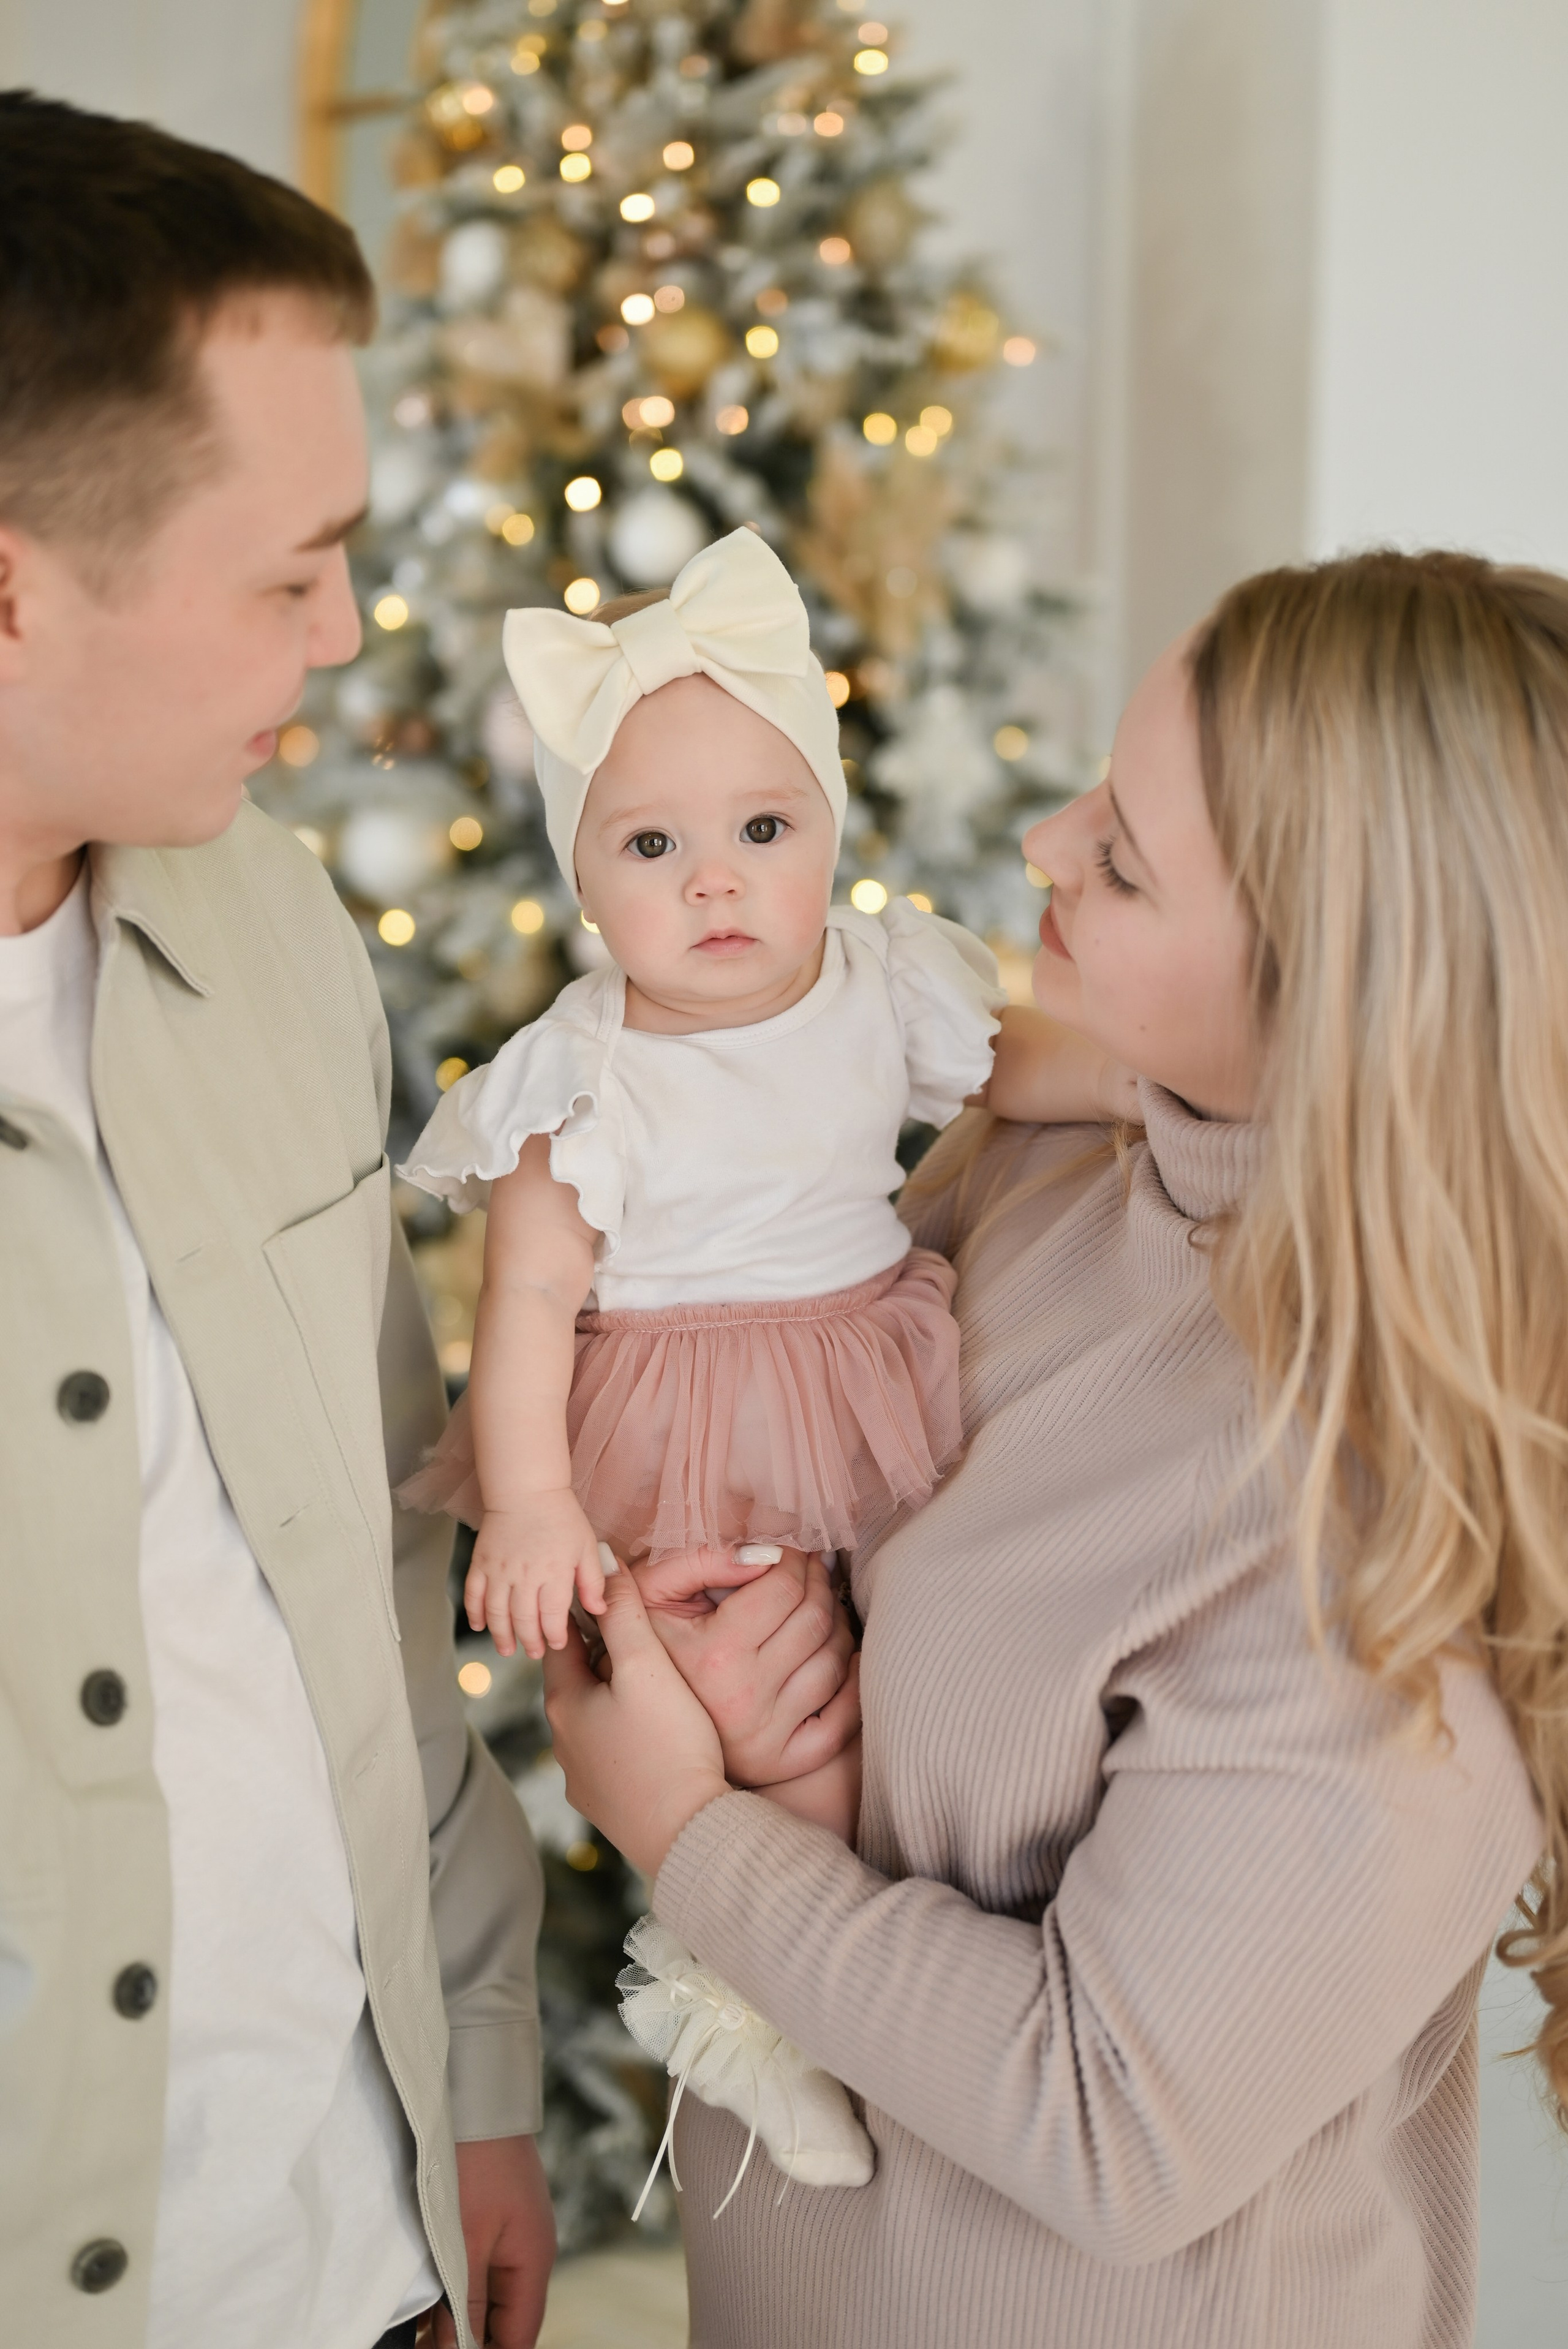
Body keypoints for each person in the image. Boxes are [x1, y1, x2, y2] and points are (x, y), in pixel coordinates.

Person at [545, 548, 1567, 2348]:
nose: (1042, 845)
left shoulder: (1389, 1513)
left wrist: (690, 1827)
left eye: (1124, 856)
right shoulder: (1052, 1166)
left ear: (1346, 979)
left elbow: (1114, 2125)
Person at [0, 94, 552, 2349]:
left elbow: (369, 1587)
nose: (346, 636)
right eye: (287, 567)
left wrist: (478, 2068)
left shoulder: (282, 925)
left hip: (352, 2258)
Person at [394, 525, 1133, 2189]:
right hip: (686, 1420)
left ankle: (916, 1972)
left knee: (917, 1678)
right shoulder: (579, 1075)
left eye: (762, 828)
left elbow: (1034, 1064)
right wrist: (527, 1505)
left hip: (871, 1375)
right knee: (769, 1705)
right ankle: (762, 2016)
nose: (714, 878)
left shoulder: (882, 984)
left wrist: (1186, 1090)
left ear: (829, 834)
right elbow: (523, 1309)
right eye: (653, 843)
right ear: (586, 885)